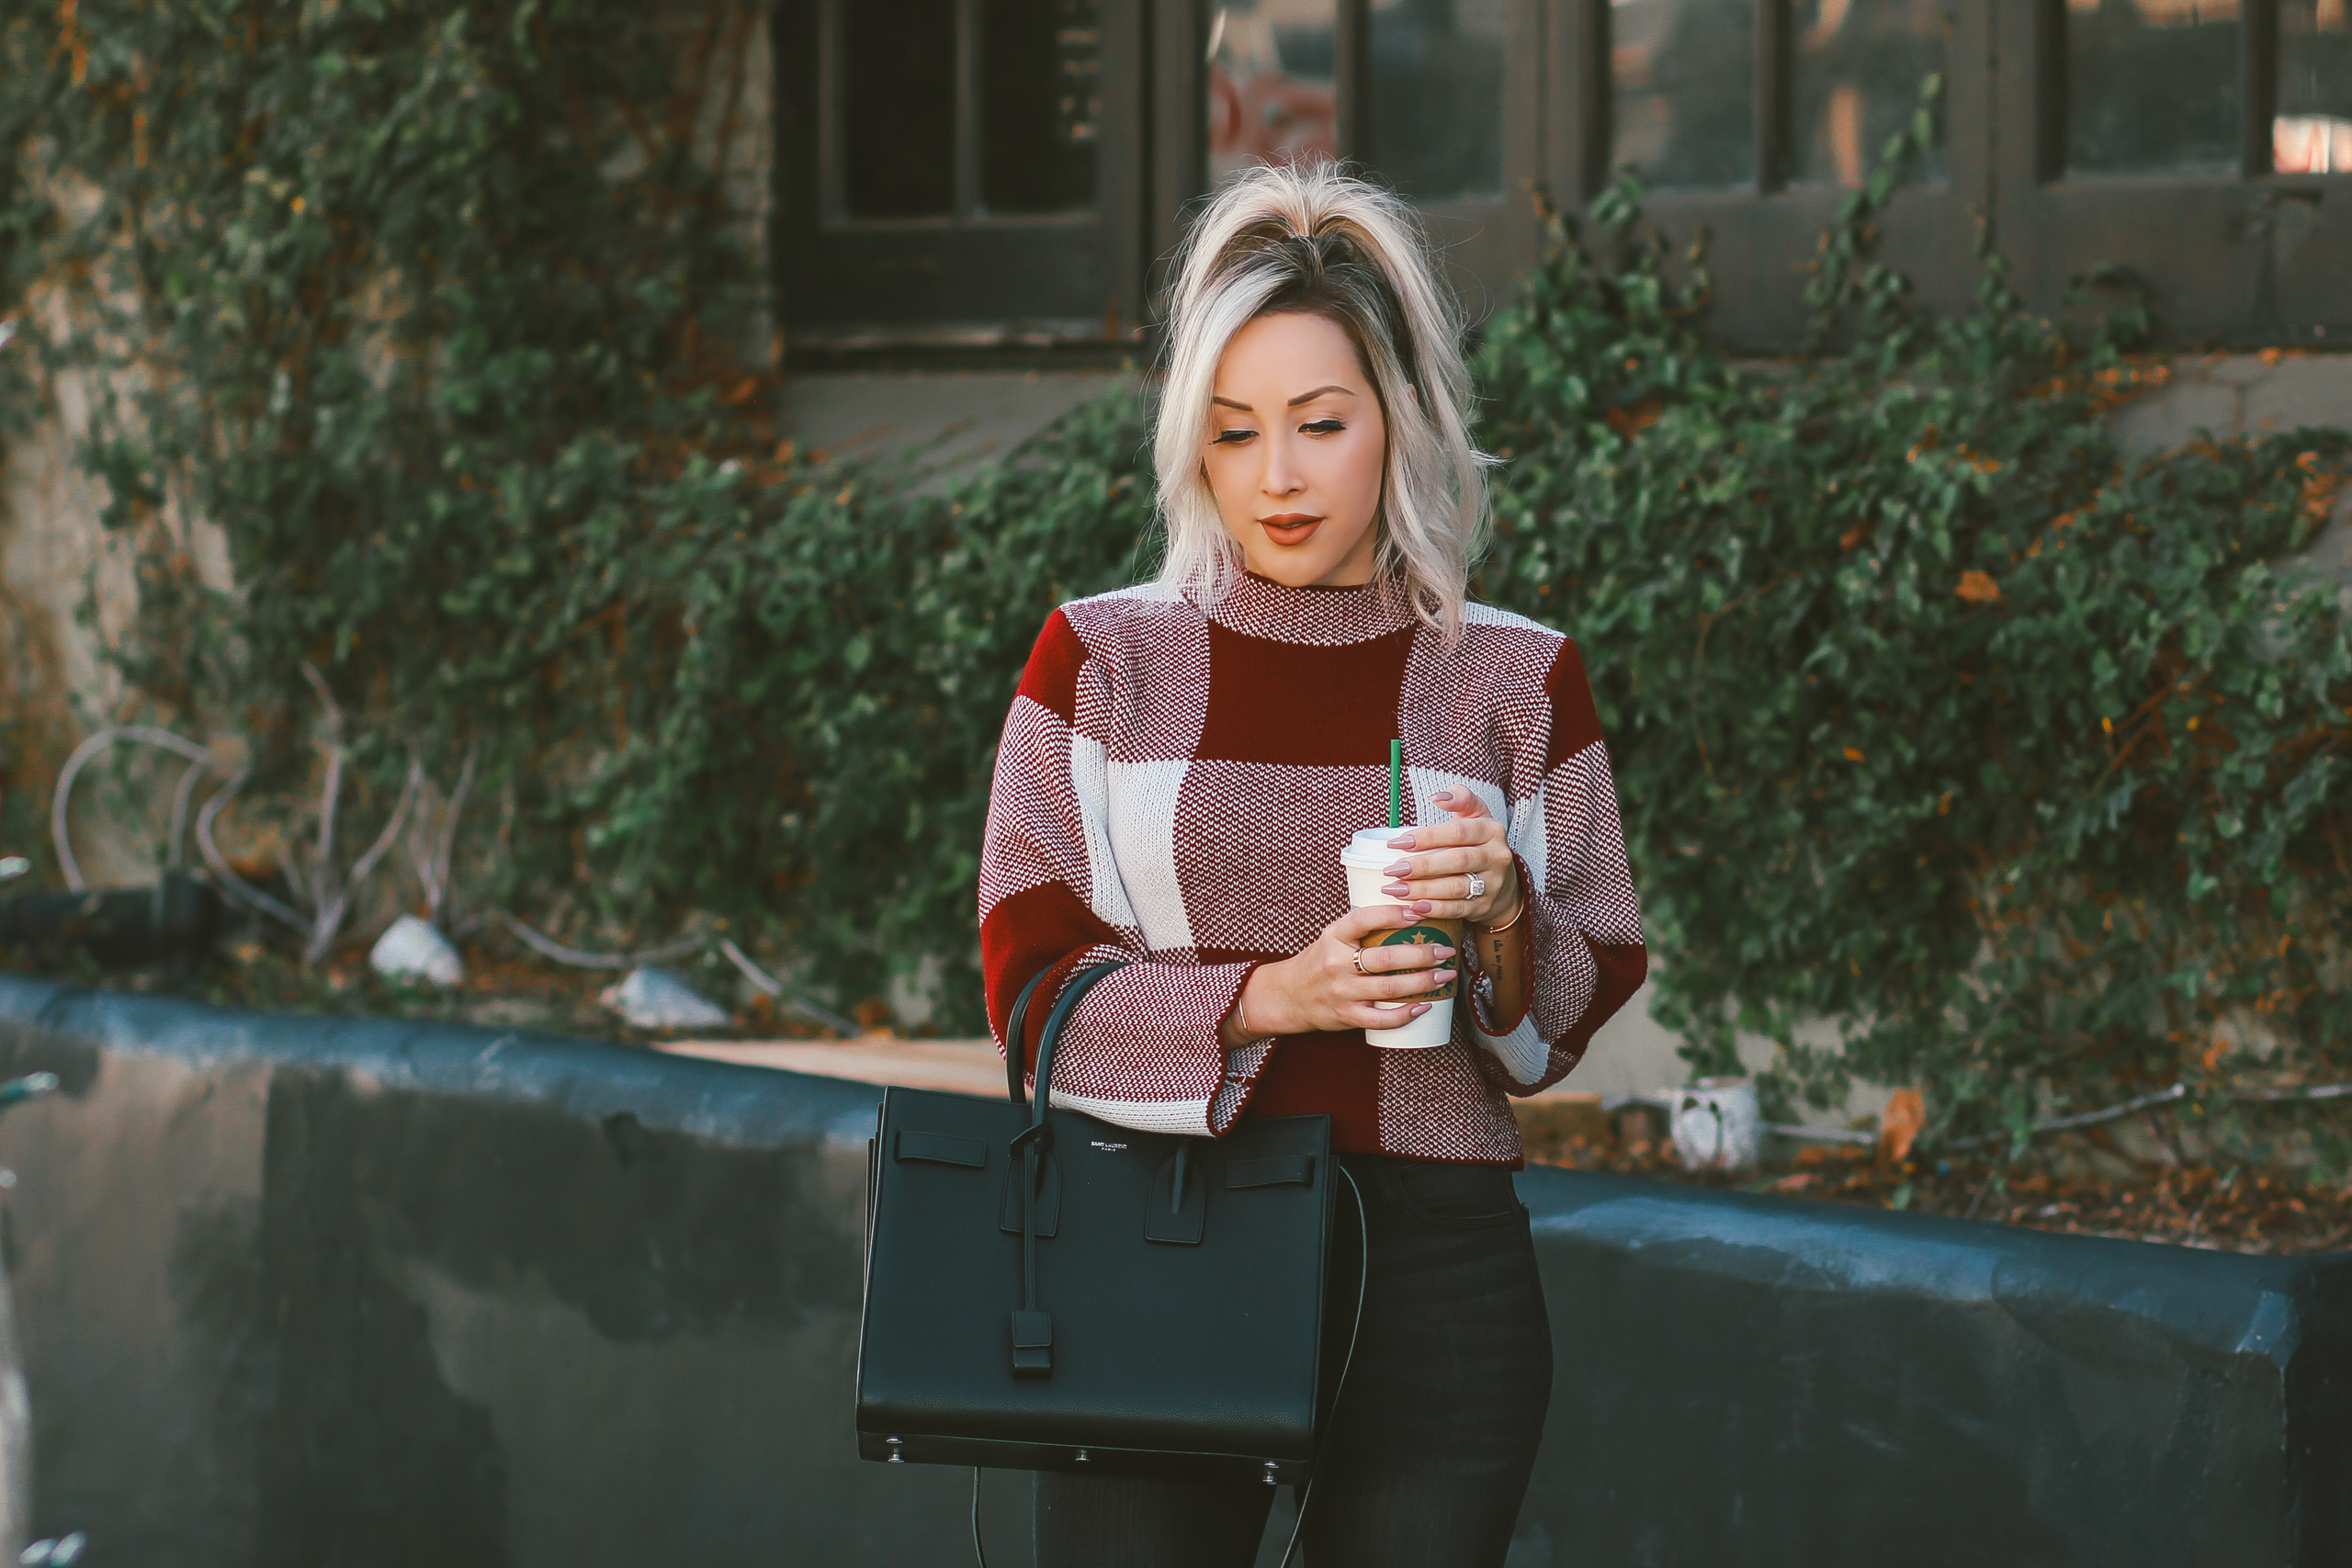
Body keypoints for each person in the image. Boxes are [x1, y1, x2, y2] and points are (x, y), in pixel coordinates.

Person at [976, 159, 1647, 1568]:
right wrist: (1273, 997)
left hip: (1437, 1260)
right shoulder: (1099, 660)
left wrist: (1507, 912)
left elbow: (1562, 1025)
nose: (1275, 477)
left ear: (1397, 423)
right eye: (1231, 434)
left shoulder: (1516, 681)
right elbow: (1031, 998)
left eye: (1319, 424)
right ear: (1192, 449)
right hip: (1159, 1229)